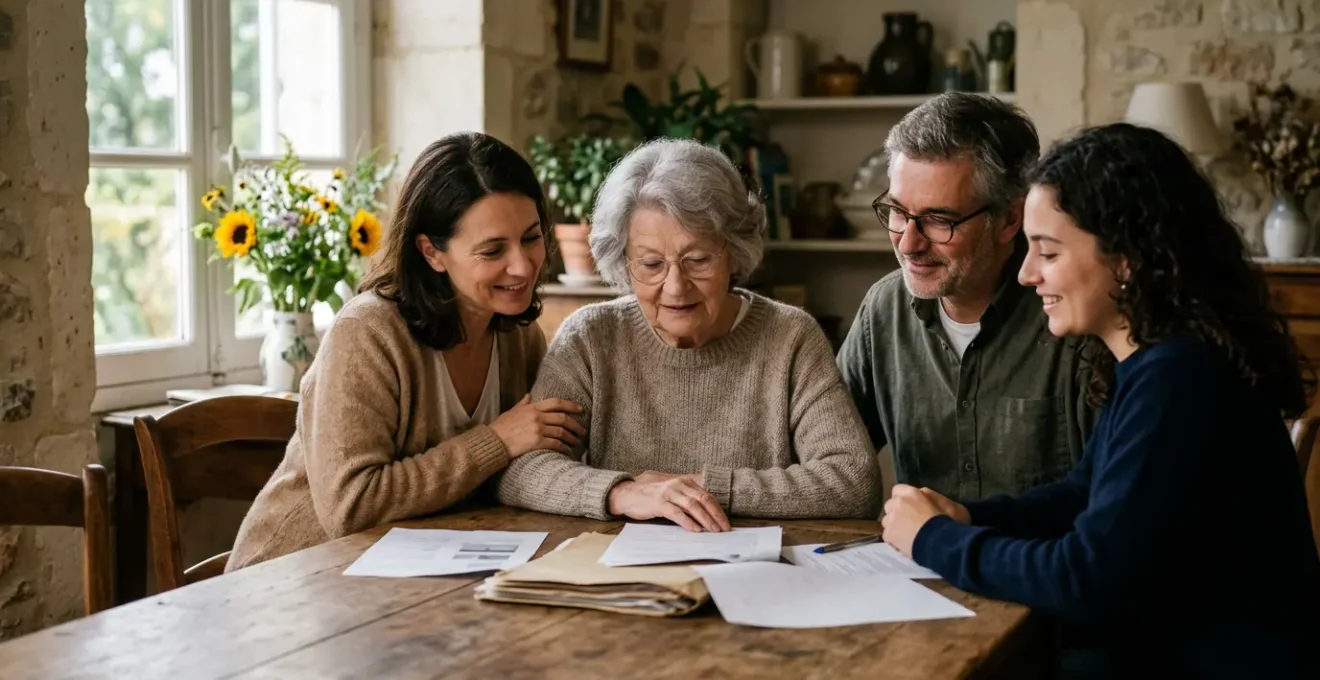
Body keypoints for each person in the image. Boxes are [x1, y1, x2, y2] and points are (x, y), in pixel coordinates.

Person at [881, 122, 1320, 678]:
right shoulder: (1157, 364)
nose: (1027, 274)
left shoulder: (1181, 378)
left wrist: (935, 539)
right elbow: (1081, 496)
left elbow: (1084, 578)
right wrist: (968, 516)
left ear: (1127, 258)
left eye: (1048, 252)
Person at [227, 132, 586, 570]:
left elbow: (527, 465)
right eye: (493, 250)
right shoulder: (366, 333)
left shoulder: (518, 337)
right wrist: (496, 441)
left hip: (421, 572)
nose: (523, 265)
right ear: (431, 252)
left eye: (531, 238)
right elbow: (352, 508)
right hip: (292, 576)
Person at [496, 138, 881, 531]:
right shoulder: (591, 338)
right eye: (651, 264)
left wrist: (698, 490)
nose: (676, 287)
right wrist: (623, 492)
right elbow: (523, 469)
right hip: (619, 565)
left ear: (734, 252)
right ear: (624, 264)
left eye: (697, 260)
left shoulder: (791, 337)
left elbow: (853, 481)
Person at [837, 92, 1098, 501]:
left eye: (938, 220)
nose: (908, 243)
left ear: (1010, 219)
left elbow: (1104, 507)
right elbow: (830, 462)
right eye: (898, 212)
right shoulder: (884, 309)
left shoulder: (1072, 314)